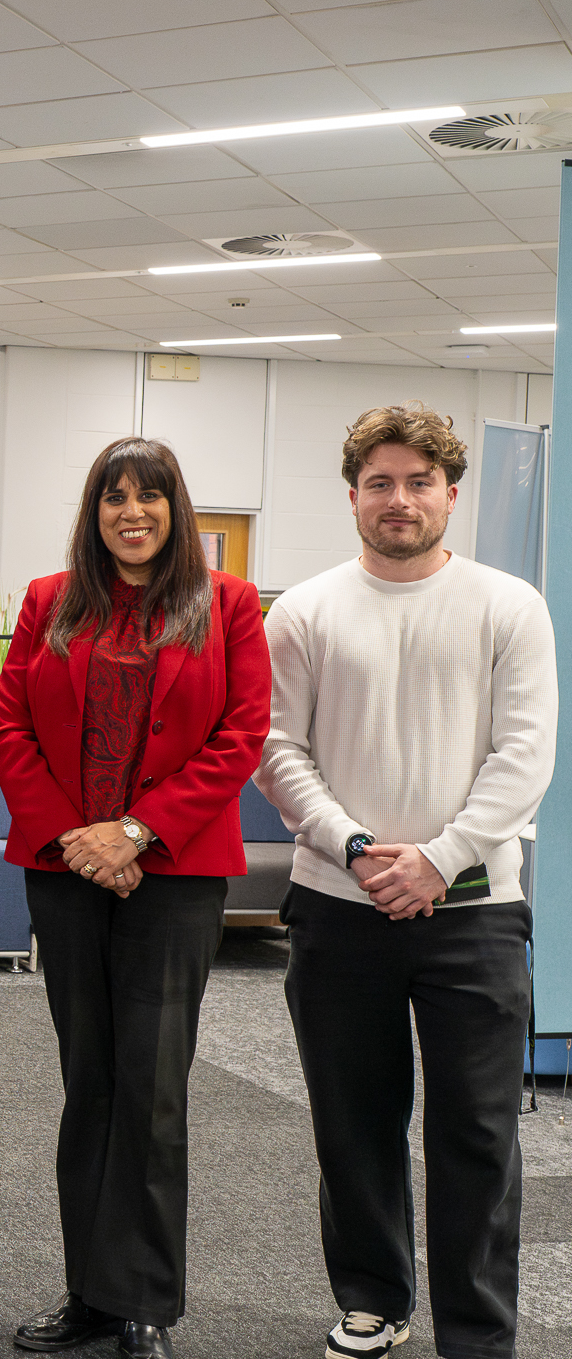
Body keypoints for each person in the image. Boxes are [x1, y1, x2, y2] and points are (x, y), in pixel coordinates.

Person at [256, 403, 555, 1359]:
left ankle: (476, 1332)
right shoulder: (303, 609)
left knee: (477, 1137)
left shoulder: (510, 604)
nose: (399, 499)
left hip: (476, 914)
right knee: (355, 1124)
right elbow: (277, 750)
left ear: (451, 496)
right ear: (352, 496)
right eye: (380, 483)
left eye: (419, 482)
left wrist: (439, 857)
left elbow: (523, 755)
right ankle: (374, 1300)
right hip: (341, 909)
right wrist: (354, 847)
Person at [0, 437, 268, 1359]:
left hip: (174, 875)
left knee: (151, 1089)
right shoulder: (48, 600)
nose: (132, 512)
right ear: (94, 510)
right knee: (90, 1083)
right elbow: (10, 723)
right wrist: (79, 835)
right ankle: (90, 1293)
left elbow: (242, 732)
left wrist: (136, 831)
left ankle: (145, 1298)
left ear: (175, 507)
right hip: (67, 871)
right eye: (115, 497)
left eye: (150, 496)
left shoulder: (225, 603)